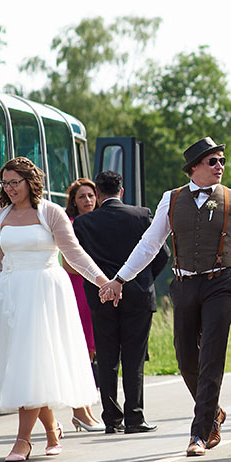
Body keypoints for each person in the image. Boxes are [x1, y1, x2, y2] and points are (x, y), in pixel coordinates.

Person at [100, 138, 231, 457]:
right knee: (184, 357)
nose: (220, 166)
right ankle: (213, 410)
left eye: (222, 161)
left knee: (212, 357)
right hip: (185, 284)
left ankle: (200, 432)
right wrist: (120, 278)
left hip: (221, 283)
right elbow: (150, 244)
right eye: (213, 161)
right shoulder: (171, 199)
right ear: (194, 168)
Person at [0, 157, 111, 462]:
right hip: (10, 295)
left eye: (15, 182)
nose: (10, 188)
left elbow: (74, 253)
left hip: (45, 294)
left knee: (33, 361)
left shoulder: (50, 213)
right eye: (5, 183)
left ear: (30, 182)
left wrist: (102, 280)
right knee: (26, 367)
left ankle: (22, 441)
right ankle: (52, 432)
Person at [73, 170, 170, 435]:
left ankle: (111, 419)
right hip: (137, 294)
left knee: (106, 358)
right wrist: (144, 280)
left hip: (101, 296)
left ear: (99, 194)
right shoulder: (141, 215)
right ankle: (135, 418)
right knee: (134, 357)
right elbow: (162, 254)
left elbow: (78, 262)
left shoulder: (83, 224)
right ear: (122, 191)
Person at [63, 178, 103, 432]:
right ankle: (80, 410)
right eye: (82, 197)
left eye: (90, 196)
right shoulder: (71, 225)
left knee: (91, 352)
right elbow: (68, 263)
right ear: (74, 203)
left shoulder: (101, 222)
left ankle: (85, 409)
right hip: (77, 290)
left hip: (95, 290)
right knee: (82, 351)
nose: (87, 200)